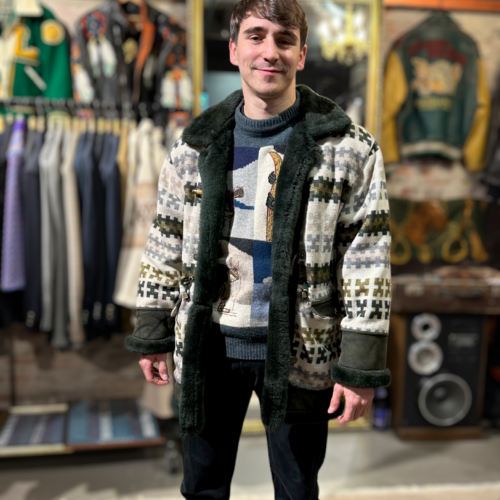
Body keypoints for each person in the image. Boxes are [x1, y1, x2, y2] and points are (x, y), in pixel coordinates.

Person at [125, 0, 391, 497]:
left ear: (301, 54)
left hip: (304, 348)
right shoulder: (193, 147)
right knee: (202, 486)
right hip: (208, 345)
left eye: (284, 40)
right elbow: (164, 239)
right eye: (256, 36)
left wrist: (360, 363)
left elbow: (367, 258)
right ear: (233, 49)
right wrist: (152, 327)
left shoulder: (350, 148)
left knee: (297, 488)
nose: (270, 51)